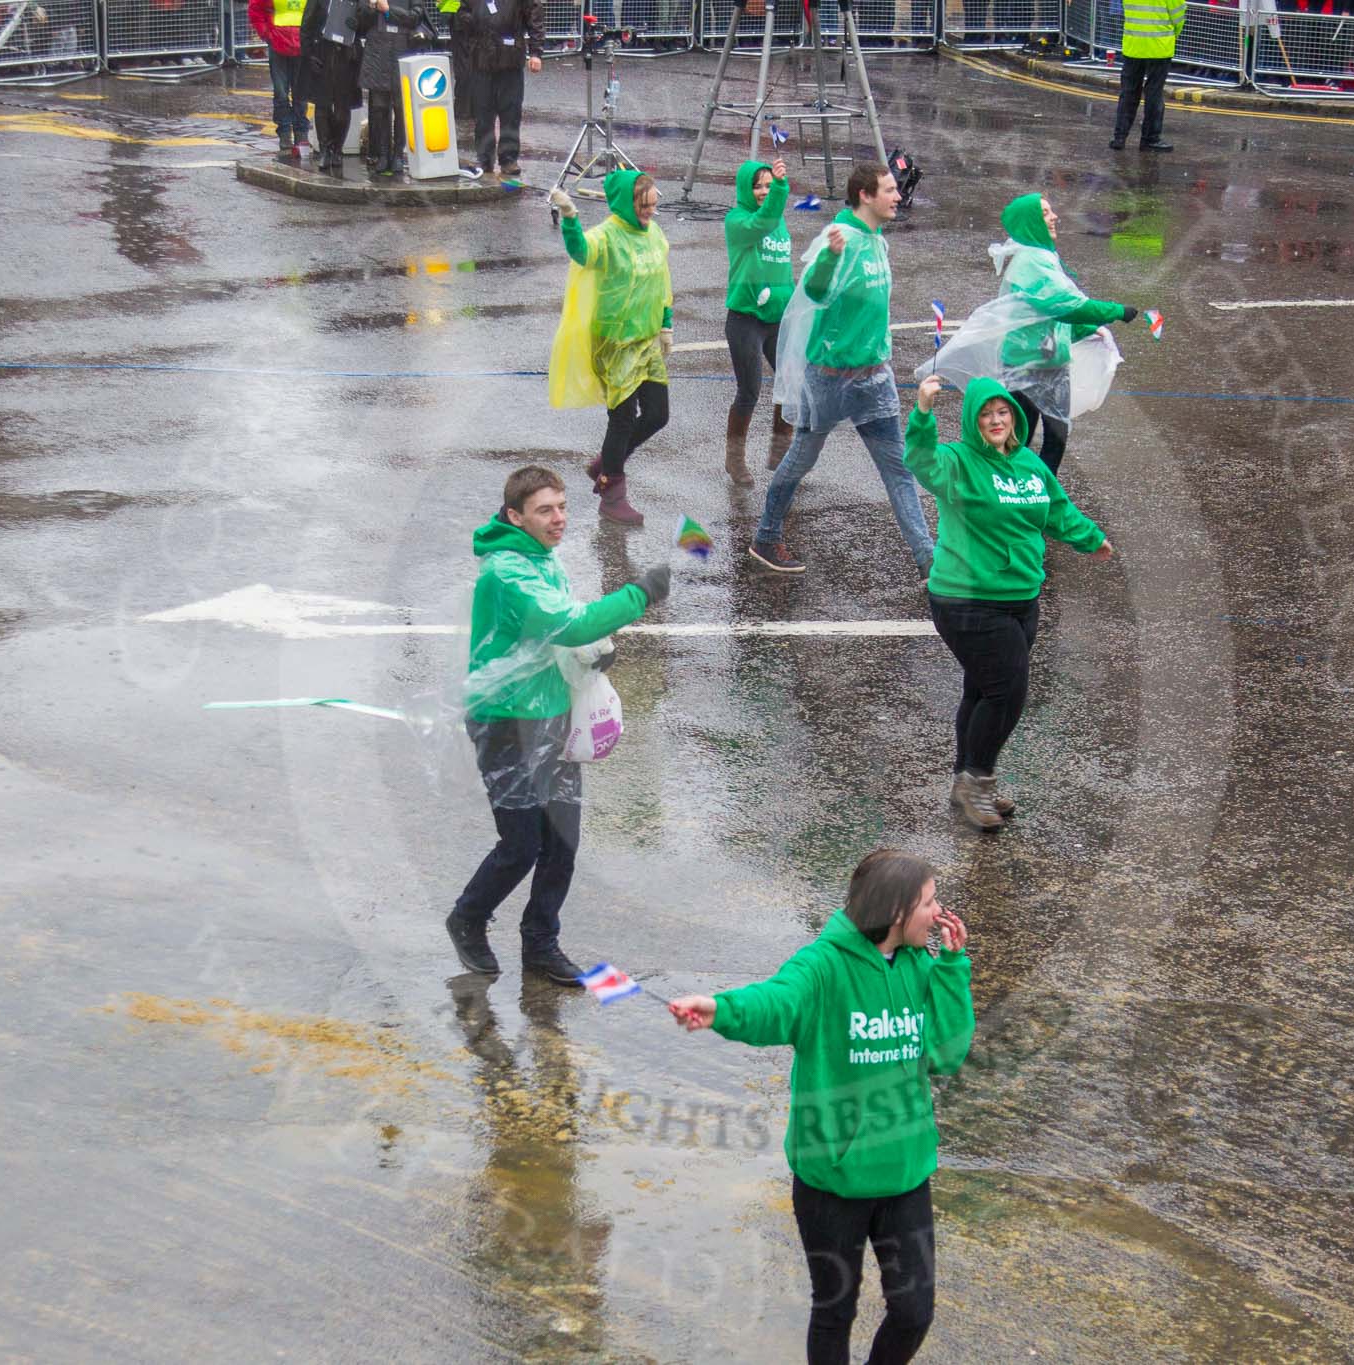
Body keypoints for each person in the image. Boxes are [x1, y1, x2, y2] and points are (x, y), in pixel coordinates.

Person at [667, 849, 974, 1365]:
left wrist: (951, 969)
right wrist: (720, 1009)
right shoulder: (821, 967)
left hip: (905, 1173)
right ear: (896, 912)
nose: (938, 911)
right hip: (832, 1179)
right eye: (928, 901)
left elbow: (946, 1055)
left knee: (913, 1313)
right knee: (835, 1311)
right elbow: (776, 1002)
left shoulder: (923, 964)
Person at [444, 465, 671, 983]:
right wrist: (639, 594)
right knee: (522, 845)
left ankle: (541, 944)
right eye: (545, 510)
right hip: (506, 722)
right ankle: (468, 917)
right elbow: (568, 624)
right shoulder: (508, 573)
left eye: (563, 507)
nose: (559, 518)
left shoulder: (541, 557)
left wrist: (593, 654)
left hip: (552, 714)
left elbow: (559, 635)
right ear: (515, 516)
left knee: (562, 843)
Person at [906, 374, 1113, 830]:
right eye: (985, 414)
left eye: (1002, 412)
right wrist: (922, 412)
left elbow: (1056, 510)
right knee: (1006, 692)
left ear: (1015, 417)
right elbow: (920, 459)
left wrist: (1091, 538)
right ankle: (978, 782)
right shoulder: (958, 462)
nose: (995, 420)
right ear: (972, 420)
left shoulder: (1029, 464)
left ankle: (965, 780)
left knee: (983, 690)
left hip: (1022, 597)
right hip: (967, 599)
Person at [749, 165, 934, 578]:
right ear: (865, 195)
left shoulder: (877, 240)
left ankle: (928, 560)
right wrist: (830, 258)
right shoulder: (840, 239)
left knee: (898, 470)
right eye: (889, 190)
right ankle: (766, 536)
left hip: (875, 378)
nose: (898, 197)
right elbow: (814, 291)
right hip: (830, 379)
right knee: (801, 459)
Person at [548, 170, 672, 528]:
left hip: (645, 340)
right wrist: (570, 217)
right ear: (626, 204)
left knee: (657, 414)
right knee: (622, 417)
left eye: (653, 205)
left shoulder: (654, 234)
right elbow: (581, 253)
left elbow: (663, 281)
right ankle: (611, 493)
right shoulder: (607, 236)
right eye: (643, 206)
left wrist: (666, 324)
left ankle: (607, 461)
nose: (649, 212)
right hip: (614, 343)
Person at [985, 192, 1142, 475]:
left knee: (1051, 437)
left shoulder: (1042, 257)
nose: (1054, 216)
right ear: (1032, 222)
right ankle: (1014, 493)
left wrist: (1089, 329)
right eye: (1045, 213)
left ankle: (1040, 492)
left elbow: (1053, 314)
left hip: (1048, 362)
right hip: (1028, 364)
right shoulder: (1031, 263)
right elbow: (1066, 305)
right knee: (1022, 441)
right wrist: (1116, 311)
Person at [723, 156, 796, 487]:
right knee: (749, 390)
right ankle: (735, 459)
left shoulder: (777, 220)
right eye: (757, 186)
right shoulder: (737, 220)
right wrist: (781, 187)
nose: (764, 191)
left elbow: (784, 268)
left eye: (768, 185)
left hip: (777, 319)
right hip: (745, 320)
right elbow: (762, 222)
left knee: (791, 383)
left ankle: (781, 454)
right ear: (744, 189)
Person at [451, 0, 541, 182]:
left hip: (510, 58)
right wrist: (471, 21)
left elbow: (535, 18)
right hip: (481, 59)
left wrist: (536, 53)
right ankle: (484, 158)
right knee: (483, 112)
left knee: (511, 111)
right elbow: (461, 13)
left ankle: (508, 159)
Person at [356, 0, 421, 180]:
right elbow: (360, 21)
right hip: (377, 52)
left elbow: (416, 17)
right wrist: (371, 7)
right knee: (380, 108)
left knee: (401, 108)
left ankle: (398, 154)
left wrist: (388, 11)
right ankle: (383, 154)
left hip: (403, 50)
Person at [1110, 0, 1185, 151]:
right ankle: (1150, 139)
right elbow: (1178, 14)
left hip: (1133, 45)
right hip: (1159, 47)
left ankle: (1119, 137)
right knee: (1154, 94)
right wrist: (1174, 34)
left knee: (1128, 93)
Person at [300, 0, 364, 173]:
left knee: (343, 108)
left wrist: (359, 24)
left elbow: (367, 20)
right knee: (323, 105)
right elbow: (307, 25)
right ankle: (324, 150)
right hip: (322, 54)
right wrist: (309, 55)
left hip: (348, 56)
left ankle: (337, 149)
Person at [248, 0, 312, 160]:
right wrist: (267, 34)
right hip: (279, 43)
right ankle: (286, 135)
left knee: (300, 94)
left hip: (301, 44)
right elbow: (256, 9)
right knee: (281, 93)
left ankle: (301, 136)